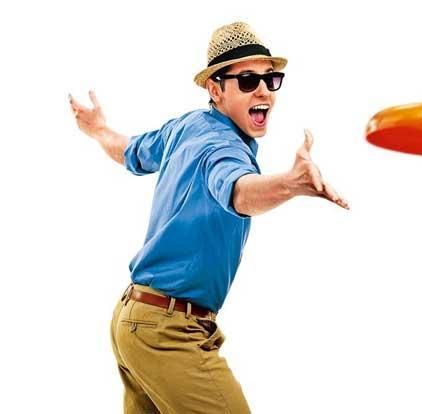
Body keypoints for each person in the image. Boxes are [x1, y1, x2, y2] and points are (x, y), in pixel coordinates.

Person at [68, 21, 349, 414]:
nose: (264, 89)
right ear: (215, 90)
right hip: (167, 333)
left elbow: (129, 151)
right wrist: (290, 183)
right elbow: (238, 191)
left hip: (133, 321)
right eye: (248, 80)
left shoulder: (187, 127)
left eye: (271, 78)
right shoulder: (222, 148)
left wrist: (97, 130)